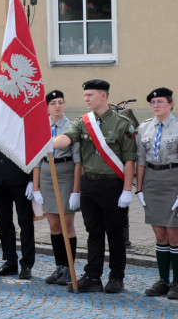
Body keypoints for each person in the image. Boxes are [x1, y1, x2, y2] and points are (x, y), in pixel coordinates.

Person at [51, 79, 137, 294]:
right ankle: (93, 276)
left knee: (115, 233)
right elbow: (67, 138)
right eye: (85, 95)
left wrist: (127, 190)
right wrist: (46, 144)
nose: (86, 99)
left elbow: (129, 160)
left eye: (90, 95)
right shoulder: (83, 121)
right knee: (94, 232)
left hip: (112, 185)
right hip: (90, 184)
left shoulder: (122, 123)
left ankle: (117, 277)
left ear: (103, 96)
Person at [136, 87, 178, 300]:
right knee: (160, 235)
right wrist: (139, 189)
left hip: (172, 182)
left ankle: (177, 283)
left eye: (160, 101)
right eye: (153, 102)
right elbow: (141, 160)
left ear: (170, 104)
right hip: (152, 182)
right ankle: (163, 280)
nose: (156, 105)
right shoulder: (144, 128)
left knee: (174, 236)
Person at [34, 90, 82, 285]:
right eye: (53, 103)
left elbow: (79, 162)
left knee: (67, 225)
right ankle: (59, 268)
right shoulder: (41, 126)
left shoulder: (72, 127)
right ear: (47, 106)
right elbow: (36, 159)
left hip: (65, 174)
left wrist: (75, 191)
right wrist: (35, 188)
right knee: (54, 226)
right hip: (46, 174)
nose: (57, 106)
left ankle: (70, 269)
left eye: (61, 102)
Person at [0, 134, 35, 280]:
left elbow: (32, 148)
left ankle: (27, 264)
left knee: (25, 223)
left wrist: (32, 180)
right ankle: (10, 261)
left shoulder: (20, 116)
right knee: (4, 223)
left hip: (20, 178)